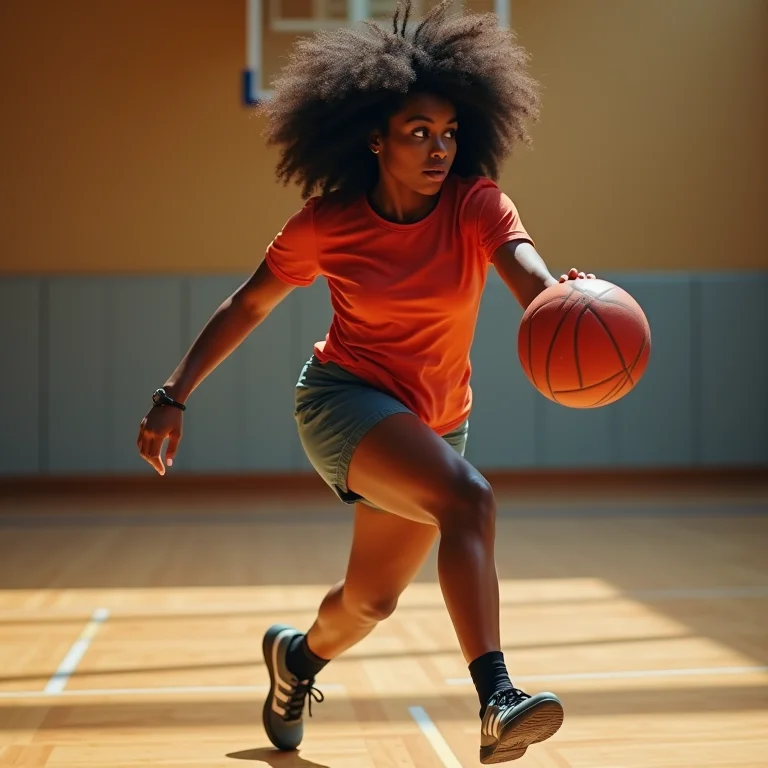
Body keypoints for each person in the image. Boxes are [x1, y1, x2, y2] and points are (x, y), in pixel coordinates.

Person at [137, 0, 595, 762]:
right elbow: (247, 303)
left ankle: (297, 662)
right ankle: (498, 698)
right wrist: (173, 393)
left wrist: (561, 298)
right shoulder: (329, 223)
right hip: (343, 400)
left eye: (449, 133)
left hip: (436, 419)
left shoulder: (477, 206)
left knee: (371, 601)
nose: (439, 148)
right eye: (419, 133)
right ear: (374, 140)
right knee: (470, 498)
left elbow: (529, 277)